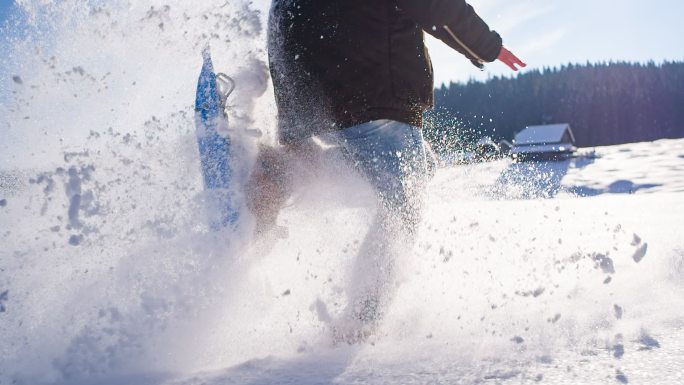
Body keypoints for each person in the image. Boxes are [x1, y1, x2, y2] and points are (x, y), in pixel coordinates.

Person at [249, 0, 525, 343]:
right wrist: (489, 48)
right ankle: (360, 322)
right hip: (378, 95)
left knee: (420, 167)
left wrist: (293, 128)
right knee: (402, 210)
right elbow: (437, 7)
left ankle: (282, 170)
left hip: (325, 104)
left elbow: (282, 36)